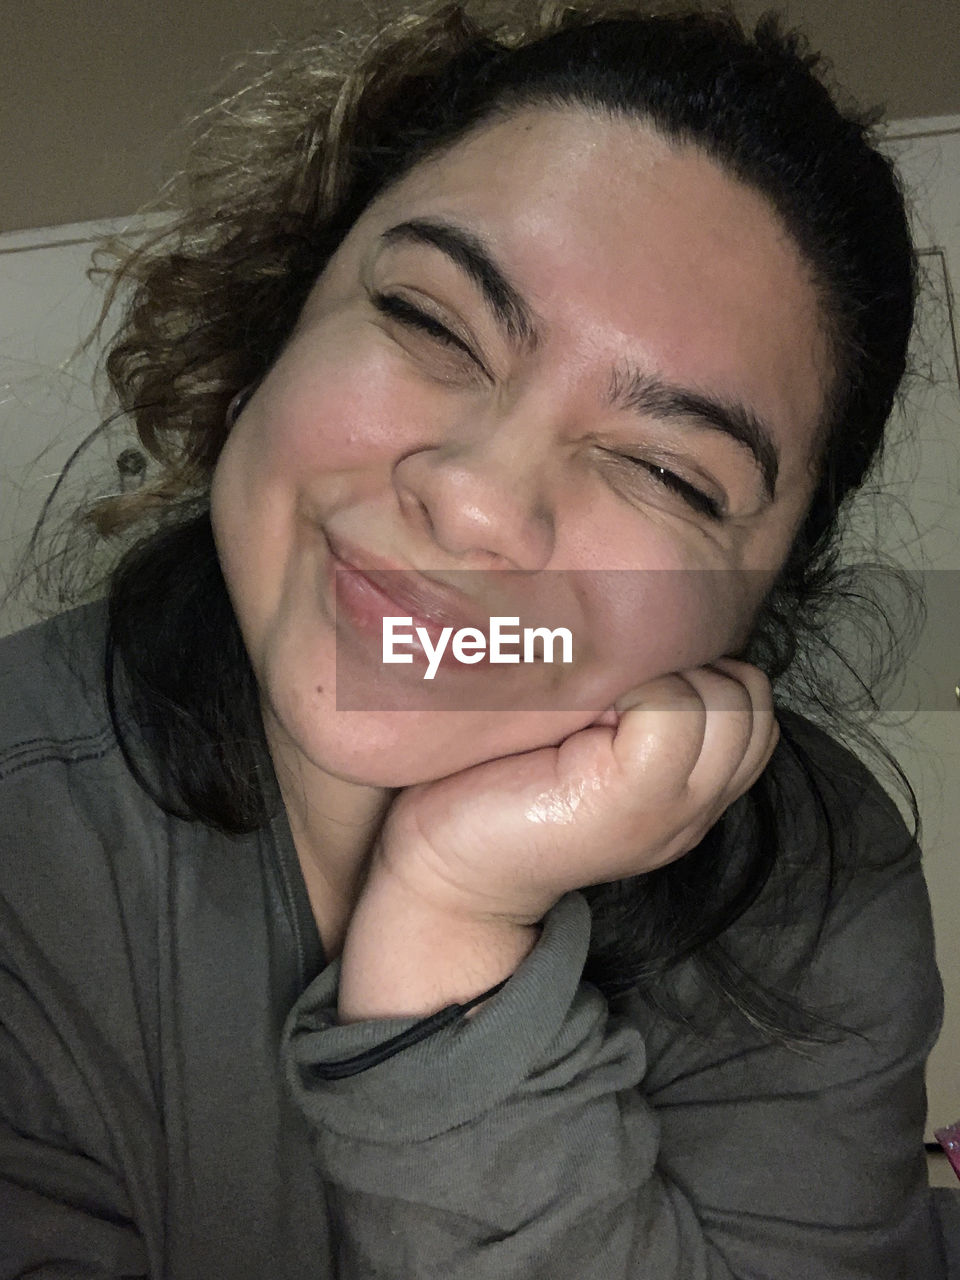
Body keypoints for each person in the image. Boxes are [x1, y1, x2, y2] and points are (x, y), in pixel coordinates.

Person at [0, 2, 950, 1275]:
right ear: (270, 329)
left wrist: (451, 929)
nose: (480, 500)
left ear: (761, 605)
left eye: (667, 471)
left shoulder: (815, 891)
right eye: (434, 323)